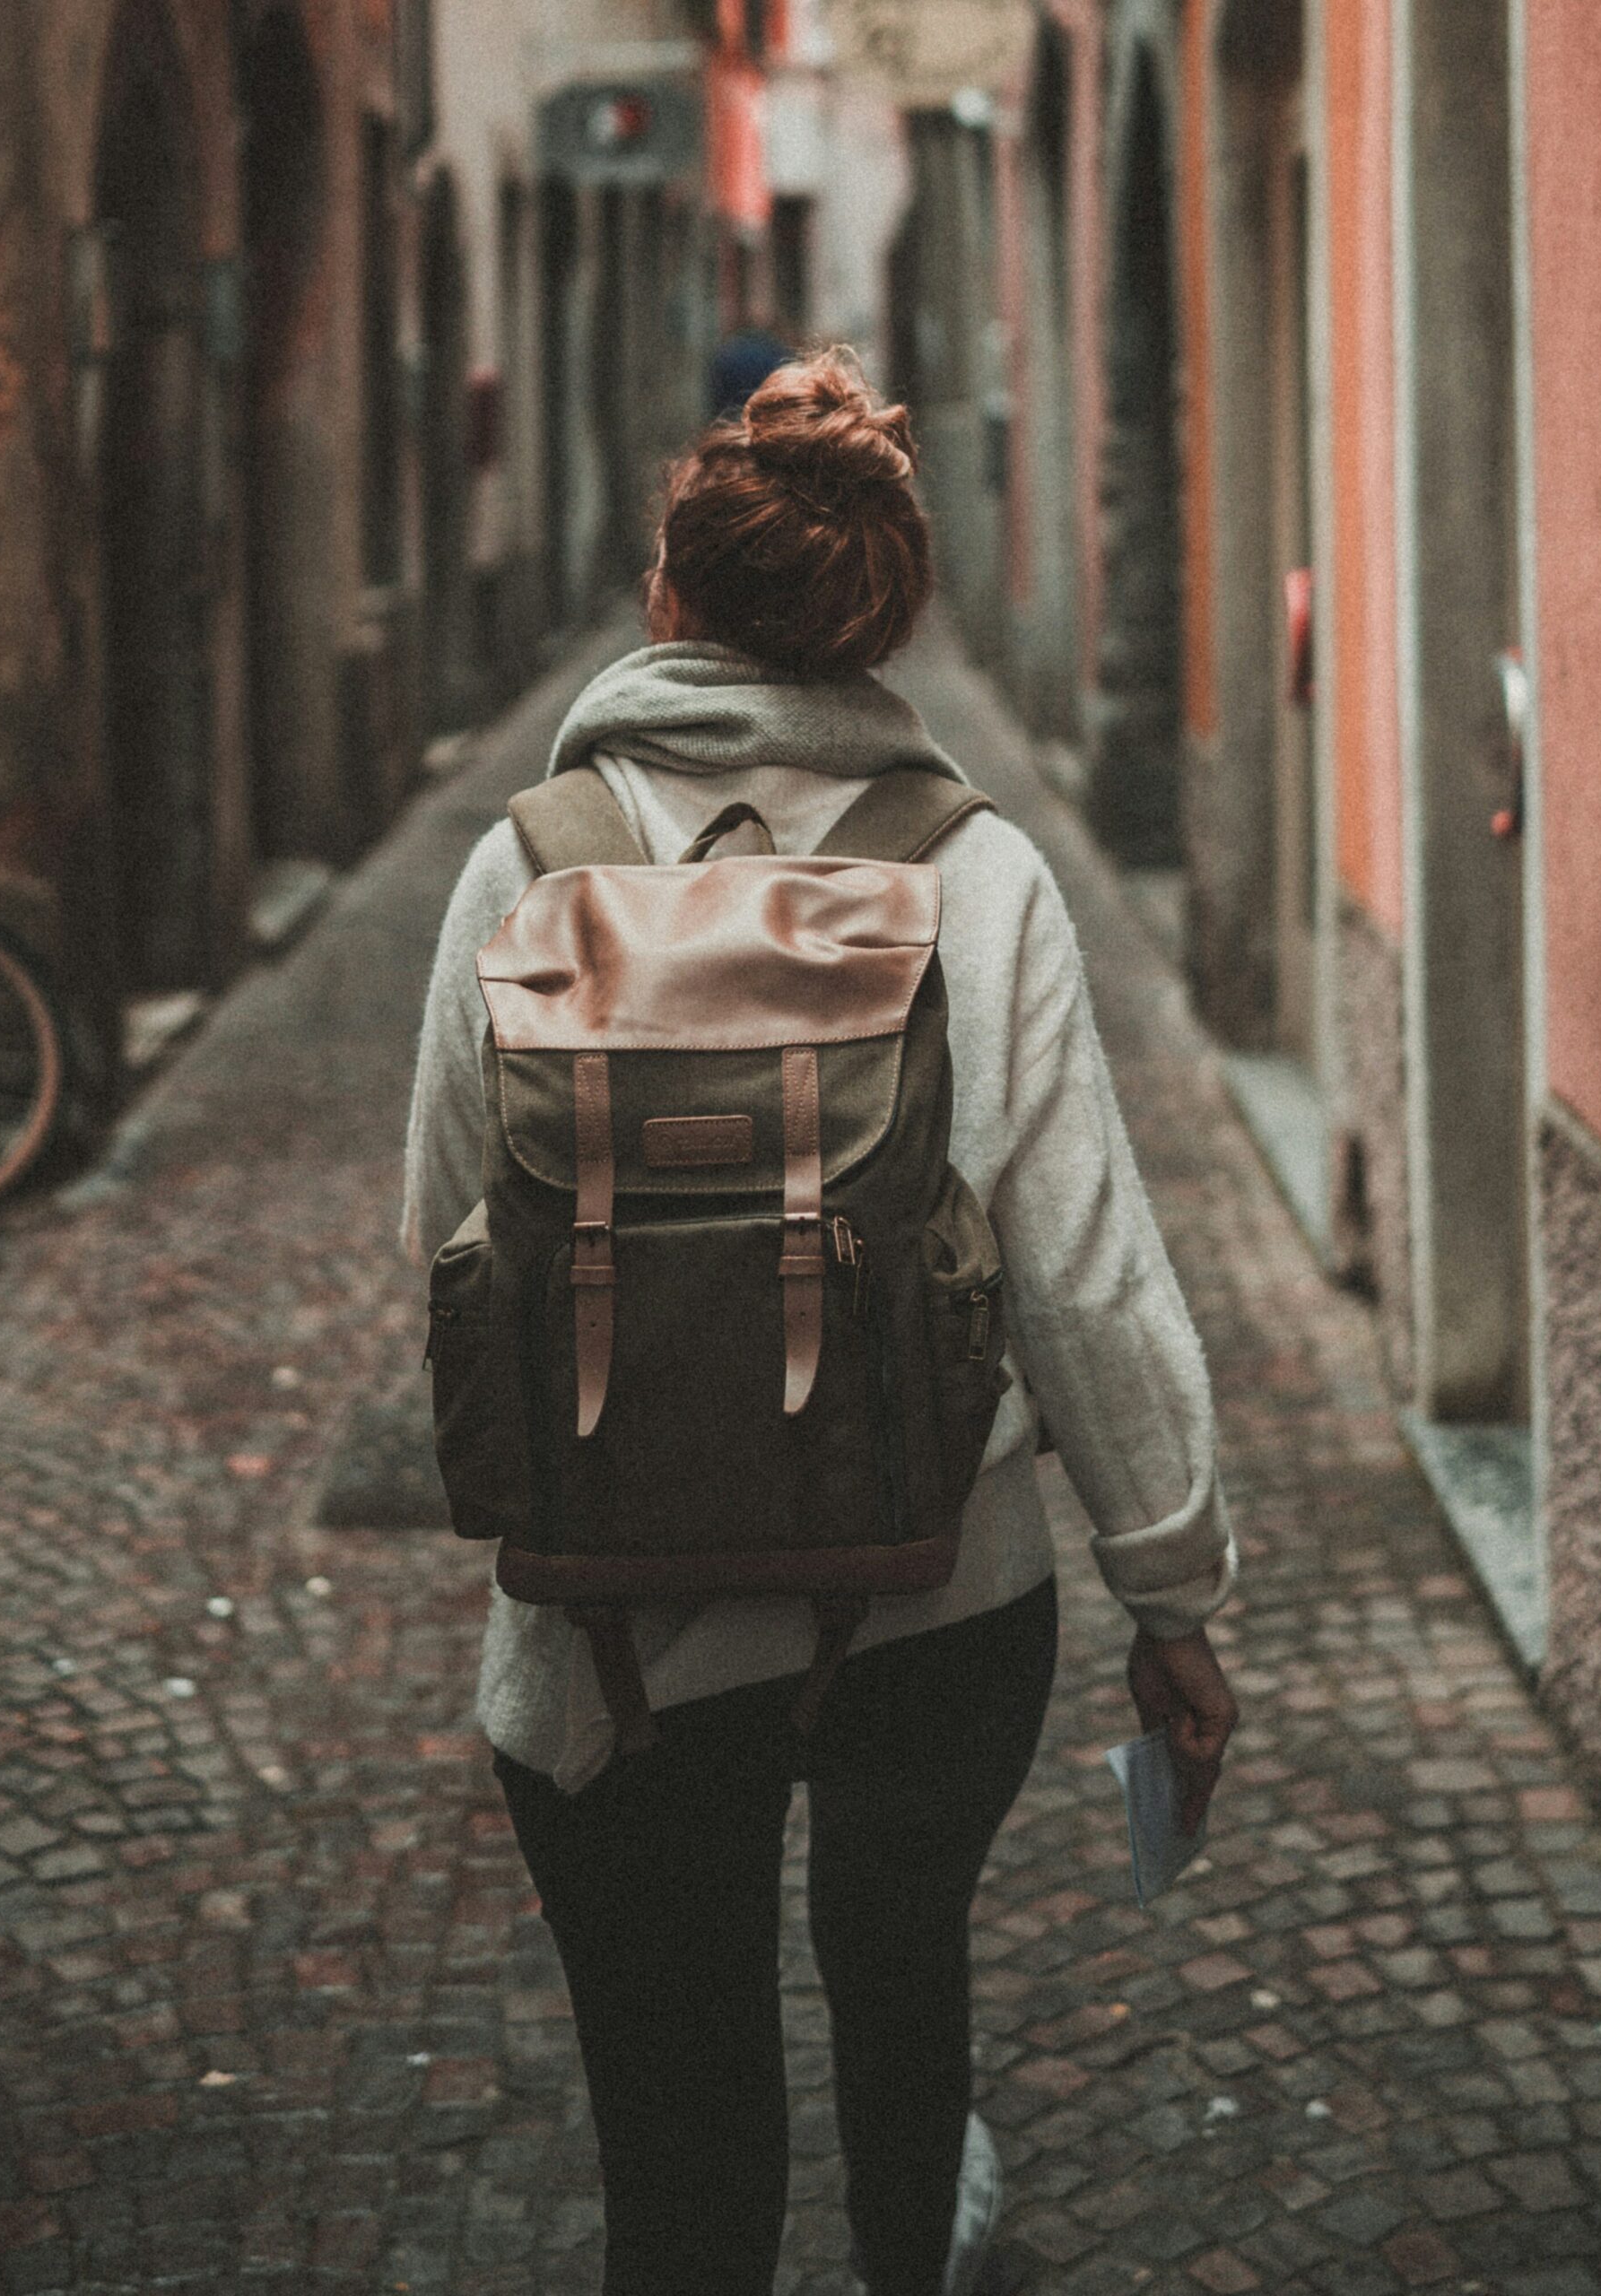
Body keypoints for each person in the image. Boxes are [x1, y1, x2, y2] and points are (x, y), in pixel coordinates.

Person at [401, 350, 1240, 2296]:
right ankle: (900, 2243)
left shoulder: (519, 868)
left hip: (610, 1619)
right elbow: (1084, 1271)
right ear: (885, 615)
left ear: (666, 600)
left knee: (675, 2142)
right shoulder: (979, 873)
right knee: (899, 1980)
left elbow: (444, 1244)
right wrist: (1173, 1593)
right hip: (937, 1591)